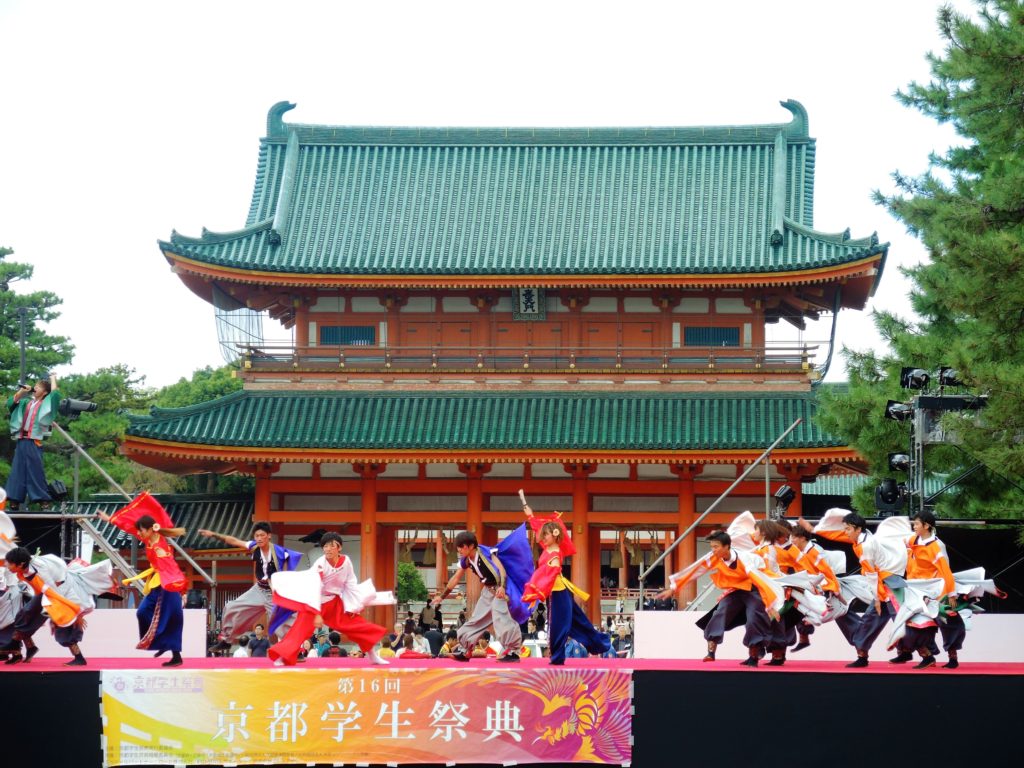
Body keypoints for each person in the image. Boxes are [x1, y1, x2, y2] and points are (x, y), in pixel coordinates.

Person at [800, 510, 908, 668]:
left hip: (889, 585)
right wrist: (813, 529)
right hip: (882, 584)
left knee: (901, 619)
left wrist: (877, 599)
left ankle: (921, 652)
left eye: (848, 529)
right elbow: (836, 535)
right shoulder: (861, 538)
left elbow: (871, 574)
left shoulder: (866, 546)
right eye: (845, 528)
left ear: (858, 529)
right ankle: (864, 656)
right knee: (870, 620)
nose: (845, 532)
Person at [657, 530, 781, 667]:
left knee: (754, 618)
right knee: (721, 611)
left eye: (716, 546)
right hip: (736, 589)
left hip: (754, 588)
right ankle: (711, 651)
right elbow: (695, 570)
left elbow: (761, 581)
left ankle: (753, 655)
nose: (713, 550)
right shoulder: (713, 557)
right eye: (712, 546)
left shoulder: (745, 560)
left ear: (727, 546)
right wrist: (673, 588)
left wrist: (770, 605)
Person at [268, 532, 390, 667]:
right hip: (315, 603)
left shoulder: (346, 561)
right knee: (300, 631)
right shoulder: (320, 563)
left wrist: (353, 606)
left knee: (356, 624)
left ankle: (373, 656)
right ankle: (281, 656)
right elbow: (314, 588)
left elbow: (350, 583)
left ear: (339, 548)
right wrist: (317, 614)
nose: (328, 549)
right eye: (325, 546)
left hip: (334, 602)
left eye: (332, 546)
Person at [99, 496, 189, 667]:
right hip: (158, 583)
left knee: (171, 619)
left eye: (141, 530)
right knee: (143, 613)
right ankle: (162, 645)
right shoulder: (149, 540)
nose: (138, 533)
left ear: (151, 530)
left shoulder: (160, 548)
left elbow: (172, 569)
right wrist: (110, 519)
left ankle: (175, 655)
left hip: (167, 585)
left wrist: (181, 590)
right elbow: (129, 527)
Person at [431, 526, 533, 663]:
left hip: (500, 590)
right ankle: (466, 649)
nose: (459, 550)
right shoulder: (466, 560)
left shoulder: (486, 552)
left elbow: (502, 571)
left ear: (471, 546)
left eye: (462, 547)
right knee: (476, 619)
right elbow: (455, 578)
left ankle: (513, 651)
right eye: (458, 547)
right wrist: (442, 596)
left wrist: (502, 587)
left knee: (501, 618)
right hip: (487, 591)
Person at [200, 522, 304, 652]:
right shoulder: (254, 547)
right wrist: (214, 535)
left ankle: (296, 650)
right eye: (257, 535)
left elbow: (288, 569)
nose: (259, 538)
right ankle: (227, 640)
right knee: (231, 607)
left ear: (269, 536)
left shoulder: (279, 553)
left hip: (274, 593)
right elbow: (234, 541)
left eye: (262, 535)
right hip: (259, 589)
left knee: (282, 622)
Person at [2, 545, 113, 666]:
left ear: (20, 564)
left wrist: (75, 613)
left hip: (62, 593)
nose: (7, 565)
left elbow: (53, 592)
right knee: (26, 614)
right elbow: (41, 590)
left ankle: (79, 658)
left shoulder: (42, 571)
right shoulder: (25, 566)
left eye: (10, 563)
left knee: (64, 624)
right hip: (48, 592)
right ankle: (22, 647)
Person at [522, 520, 611, 666]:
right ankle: (596, 643)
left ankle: (558, 657)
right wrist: (531, 516)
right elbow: (538, 529)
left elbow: (552, 573)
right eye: (543, 534)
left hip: (558, 592)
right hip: (554, 592)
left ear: (555, 536)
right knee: (570, 622)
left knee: (559, 625)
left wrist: (539, 588)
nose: (543, 537)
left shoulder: (556, 553)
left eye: (546, 534)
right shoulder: (547, 548)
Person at [890, 510, 956, 669]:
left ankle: (952, 657)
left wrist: (950, 594)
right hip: (914, 589)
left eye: (917, 524)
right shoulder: (913, 539)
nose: (914, 526)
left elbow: (945, 570)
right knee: (912, 622)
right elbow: (895, 541)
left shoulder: (936, 546)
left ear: (926, 526)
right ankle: (922, 654)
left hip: (933, 590)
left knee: (946, 622)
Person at [5, 376, 61, 511]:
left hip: (34, 441)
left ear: (45, 392)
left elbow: (56, 394)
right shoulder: (26, 403)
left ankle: (43, 500)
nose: (35, 388)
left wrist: (53, 378)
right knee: (17, 471)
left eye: (39, 386)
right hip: (21, 440)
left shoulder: (46, 404)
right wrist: (22, 391)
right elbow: (11, 403)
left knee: (35, 471)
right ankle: (14, 499)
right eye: (35, 386)